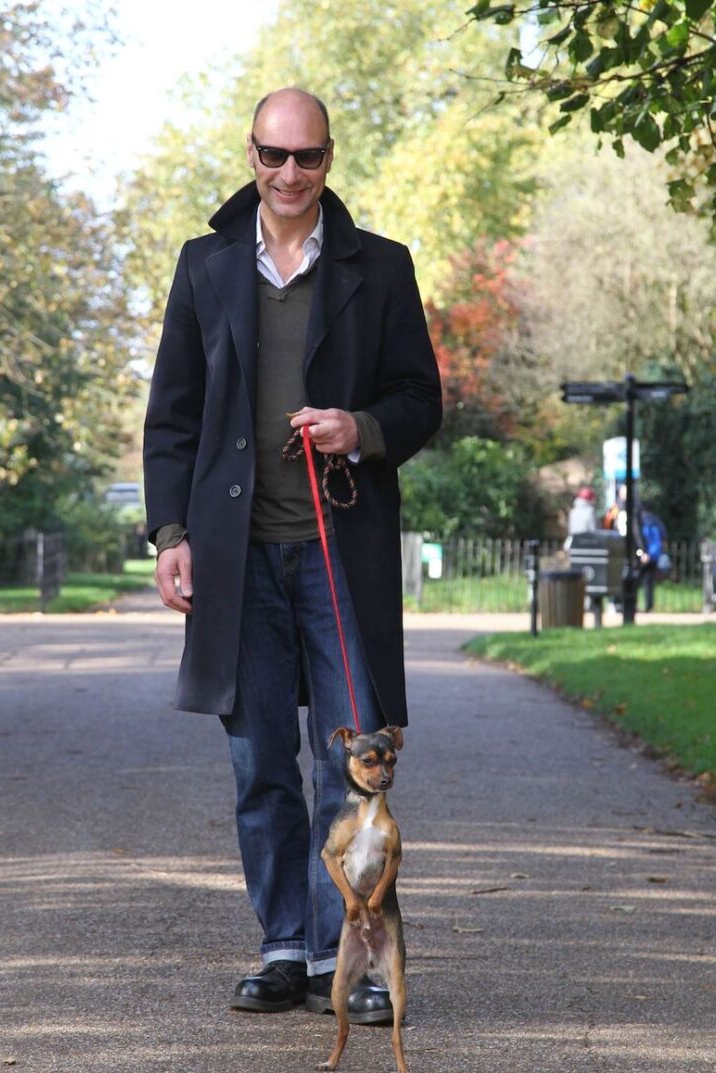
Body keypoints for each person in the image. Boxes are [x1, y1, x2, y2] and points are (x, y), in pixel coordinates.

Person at [143, 88, 441, 1022]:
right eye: (273, 155)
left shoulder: (380, 267)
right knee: (259, 760)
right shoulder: (206, 266)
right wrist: (170, 535)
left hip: (336, 549)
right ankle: (283, 946)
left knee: (351, 760)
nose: (289, 173)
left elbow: (421, 400)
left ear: (329, 160)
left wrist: (360, 426)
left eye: (307, 157)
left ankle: (342, 950)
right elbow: (172, 418)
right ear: (251, 155)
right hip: (237, 560)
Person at [637, 502, 667, 612]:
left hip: (641, 555)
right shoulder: (657, 521)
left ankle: (633, 604)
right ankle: (648, 606)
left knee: (636, 581)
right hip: (654, 555)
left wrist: (642, 554)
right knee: (649, 582)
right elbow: (662, 540)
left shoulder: (640, 521)